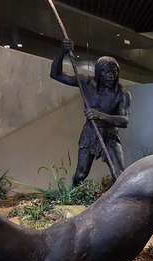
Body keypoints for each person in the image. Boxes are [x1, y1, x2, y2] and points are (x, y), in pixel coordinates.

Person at [51, 39, 131, 187]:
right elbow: (56, 74)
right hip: (90, 133)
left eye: (114, 72)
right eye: (106, 72)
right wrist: (62, 52)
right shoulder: (86, 83)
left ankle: (112, 198)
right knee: (81, 174)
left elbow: (124, 120)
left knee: (119, 175)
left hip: (110, 135)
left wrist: (99, 115)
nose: (111, 76)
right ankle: (73, 197)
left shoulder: (122, 94)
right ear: (98, 72)